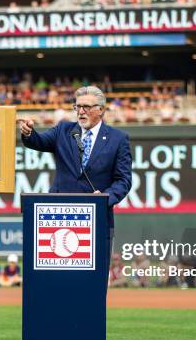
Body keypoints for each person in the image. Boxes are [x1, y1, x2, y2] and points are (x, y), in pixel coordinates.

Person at [19, 85, 132, 249]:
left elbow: (123, 180)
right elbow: (39, 141)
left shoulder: (118, 139)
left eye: (86, 107)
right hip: (58, 217)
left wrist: (105, 197)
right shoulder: (63, 130)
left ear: (100, 109)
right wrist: (29, 133)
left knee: (94, 274)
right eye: (77, 106)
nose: (80, 111)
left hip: (96, 217)